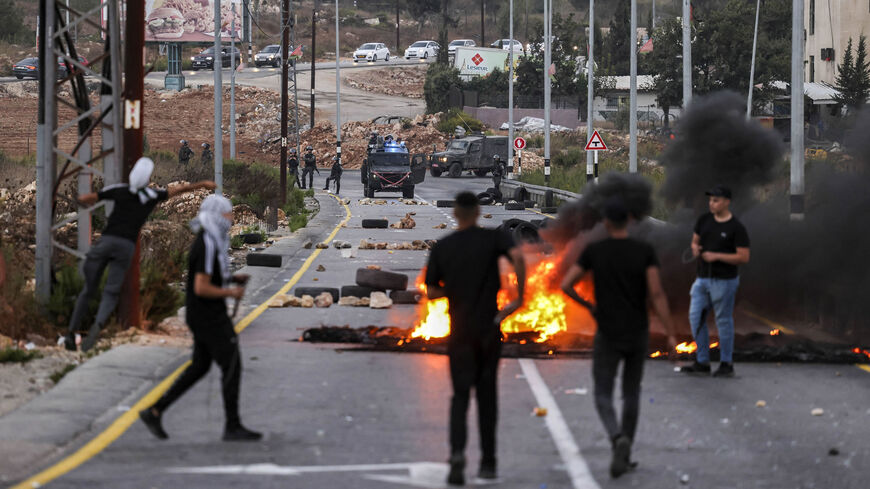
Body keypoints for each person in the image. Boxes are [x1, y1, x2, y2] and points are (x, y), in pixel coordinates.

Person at [560, 198, 677, 479]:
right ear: (628, 221)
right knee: (631, 392)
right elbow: (657, 293)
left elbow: (567, 285)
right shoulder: (644, 251)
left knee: (602, 392)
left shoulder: (595, 250)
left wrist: (589, 307)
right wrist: (670, 332)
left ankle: (615, 438)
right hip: (637, 330)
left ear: (607, 223)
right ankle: (626, 446)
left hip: (607, 331)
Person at [139, 195, 262, 442]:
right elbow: (201, 287)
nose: (231, 219)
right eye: (228, 215)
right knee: (231, 364)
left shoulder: (211, 241)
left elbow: (209, 278)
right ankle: (232, 425)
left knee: (200, 366)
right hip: (208, 314)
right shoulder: (206, 243)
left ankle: (155, 410)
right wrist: (230, 291)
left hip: (202, 312)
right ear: (217, 215)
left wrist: (230, 280)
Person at [424, 192, 527, 485]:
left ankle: (457, 455)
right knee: (487, 396)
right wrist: (519, 297)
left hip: (460, 332)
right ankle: (488, 463)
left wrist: (453, 289)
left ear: (455, 212)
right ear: (478, 211)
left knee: (459, 396)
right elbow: (519, 256)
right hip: (488, 328)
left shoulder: (443, 247)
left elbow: (431, 292)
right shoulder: (492, 240)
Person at [64, 158, 216, 352]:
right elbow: (176, 191)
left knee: (88, 289)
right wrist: (201, 184)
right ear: (147, 178)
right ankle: (98, 326)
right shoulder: (151, 195)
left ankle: (71, 332)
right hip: (126, 246)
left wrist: (80, 199)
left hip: (107, 241)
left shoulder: (120, 190)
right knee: (111, 292)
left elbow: (90, 198)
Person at [681, 185, 750, 377]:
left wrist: (717, 256)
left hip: (724, 281)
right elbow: (695, 240)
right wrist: (695, 248)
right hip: (702, 280)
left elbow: (743, 257)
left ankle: (726, 363)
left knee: (723, 321)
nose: (712, 203)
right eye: (710, 200)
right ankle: (702, 361)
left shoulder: (736, 228)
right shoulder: (704, 221)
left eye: (716, 200)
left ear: (727, 202)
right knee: (696, 318)